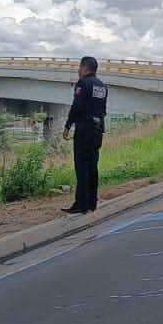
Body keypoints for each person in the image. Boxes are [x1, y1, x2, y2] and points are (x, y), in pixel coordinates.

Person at [61, 55, 108, 214]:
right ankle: (92, 202)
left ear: (85, 68)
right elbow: (103, 111)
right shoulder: (102, 86)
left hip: (85, 130)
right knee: (92, 167)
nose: (78, 71)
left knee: (81, 166)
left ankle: (81, 204)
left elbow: (77, 106)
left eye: (79, 67)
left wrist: (68, 125)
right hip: (97, 131)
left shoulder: (83, 83)